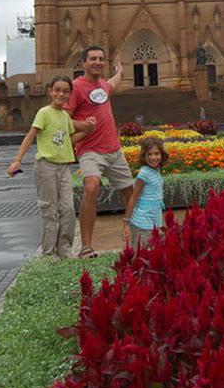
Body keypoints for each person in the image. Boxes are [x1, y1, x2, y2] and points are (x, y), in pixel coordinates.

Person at [7, 75, 87, 259]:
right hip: (46, 167)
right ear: (50, 91)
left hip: (64, 167)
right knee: (49, 210)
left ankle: (65, 249)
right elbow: (30, 135)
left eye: (65, 91)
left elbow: (68, 139)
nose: (61, 94)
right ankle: (49, 253)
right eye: (57, 90)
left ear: (70, 94)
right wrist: (18, 160)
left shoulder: (65, 116)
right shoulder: (44, 112)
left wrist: (87, 131)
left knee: (67, 209)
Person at [66, 45, 134, 259]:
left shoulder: (104, 85)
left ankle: (141, 236)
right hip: (90, 150)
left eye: (100, 59)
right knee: (91, 187)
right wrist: (83, 125)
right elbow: (63, 119)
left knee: (131, 193)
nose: (97, 62)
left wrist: (120, 72)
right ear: (83, 63)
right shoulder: (76, 87)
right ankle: (86, 247)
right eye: (93, 58)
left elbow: (113, 82)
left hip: (114, 150)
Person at [122, 137, 168, 249]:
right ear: (144, 156)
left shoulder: (156, 170)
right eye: (149, 154)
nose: (153, 158)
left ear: (162, 155)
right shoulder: (144, 173)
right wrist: (126, 223)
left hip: (155, 220)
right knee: (139, 253)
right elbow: (133, 197)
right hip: (142, 222)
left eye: (156, 154)